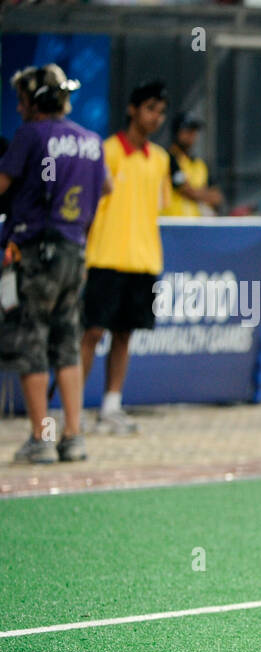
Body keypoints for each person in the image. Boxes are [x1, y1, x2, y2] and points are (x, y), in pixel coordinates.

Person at [0, 64, 109, 463]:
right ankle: (73, 437)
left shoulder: (31, 135)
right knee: (66, 344)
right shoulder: (91, 141)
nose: (18, 107)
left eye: (23, 100)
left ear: (37, 101)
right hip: (74, 251)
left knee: (32, 343)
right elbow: (108, 186)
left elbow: (2, 183)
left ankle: (41, 438)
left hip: (38, 253)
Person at [80, 78, 172, 435]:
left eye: (161, 112)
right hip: (104, 257)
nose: (155, 118)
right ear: (132, 109)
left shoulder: (160, 160)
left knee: (124, 335)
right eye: (150, 109)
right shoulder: (105, 152)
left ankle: (111, 407)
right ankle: (70, 410)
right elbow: (89, 207)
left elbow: (160, 206)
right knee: (91, 333)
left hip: (144, 260)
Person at [162, 111, 222, 217]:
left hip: (196, 226)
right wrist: (203, 193)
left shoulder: (200, 164)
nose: (192, 134)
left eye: (194, 130)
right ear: (176, 131)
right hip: (171, 223)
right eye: (187, 130)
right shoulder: (166, 158)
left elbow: (217, 197)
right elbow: (187, 191)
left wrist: (198, 193)